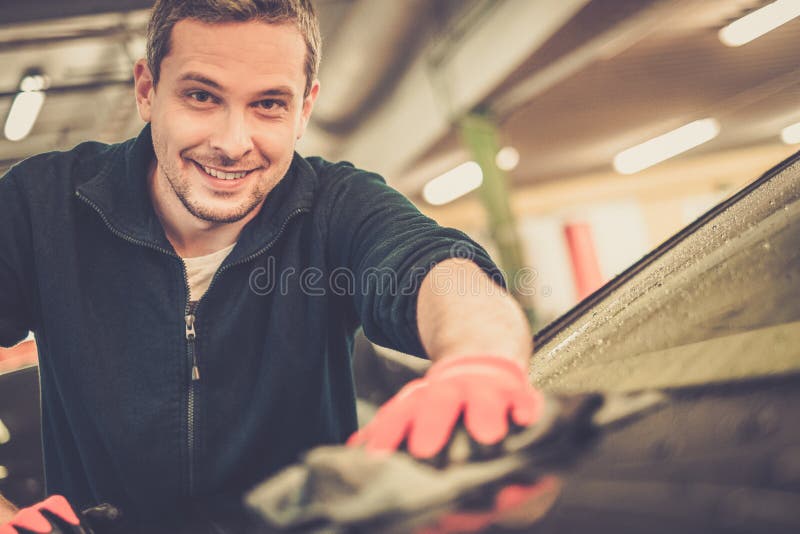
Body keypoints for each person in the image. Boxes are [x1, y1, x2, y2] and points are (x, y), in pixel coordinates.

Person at [0, 0, 540, 529]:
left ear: (304, 109)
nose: (233, 143)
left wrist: (480, 361)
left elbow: (437, 270)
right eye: (201, 96)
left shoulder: (336, 206)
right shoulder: (42, 207)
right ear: (147, 90)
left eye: (269, 104)